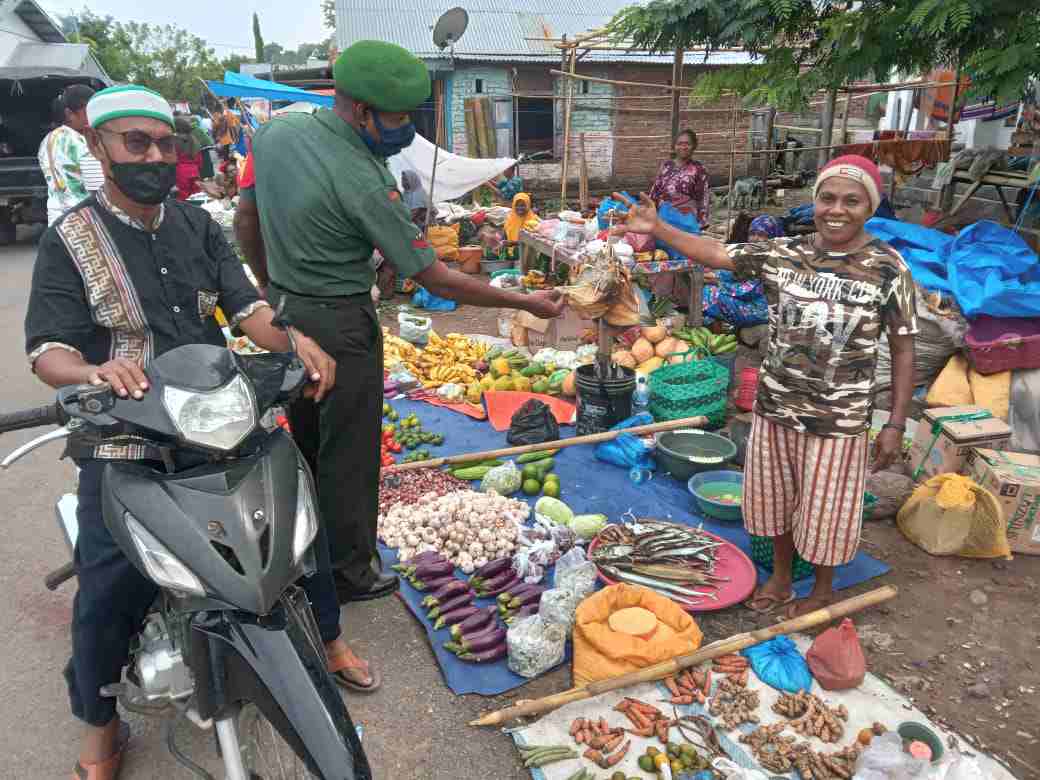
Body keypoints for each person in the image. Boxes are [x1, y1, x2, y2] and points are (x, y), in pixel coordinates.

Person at [22, 85, 370, 780]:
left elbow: (247, 310)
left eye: (164, 143)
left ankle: (325, 641)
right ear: (100, 148)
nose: (154, 156)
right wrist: (91, 373)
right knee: (106, 590)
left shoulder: (196, 224)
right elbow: (48, 352)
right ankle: (98, 729)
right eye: (136, 144)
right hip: (129, 436)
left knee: (299, 532)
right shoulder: (71, 238)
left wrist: (292, 340)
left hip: (221, 419)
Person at [235, 40, 565, 605]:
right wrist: (525, 304)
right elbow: (434, 278)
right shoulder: (365, 179)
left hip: (288, 320)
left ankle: (306, 550)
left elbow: (246, 218)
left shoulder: (274, 136)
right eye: (399, 117)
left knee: (307, 439)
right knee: (352, 454)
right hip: (340, 325)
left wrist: (270, 289)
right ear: (362, 110)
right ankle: (350, 572)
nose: (406, 128)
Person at [612, 154, 917, 619]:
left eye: (852, 201)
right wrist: (658, 230)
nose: (837, 209)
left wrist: (894, 423)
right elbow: (717, 253)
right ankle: (779, 576)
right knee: (773, 500)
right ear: (814, 203)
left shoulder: (889, 268)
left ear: (870, 207)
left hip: (838, 419)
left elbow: (902, 349)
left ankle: (821, 589)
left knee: (827, 511)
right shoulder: (786, 254)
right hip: (776, 408)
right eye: (827, 198)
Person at [38, 85, 105, 225]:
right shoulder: (82, 143)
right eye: (88, 111)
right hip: (85, 217)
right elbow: (99, 187)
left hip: (55, 217)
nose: (94, 116)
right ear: (69, 114)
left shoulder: (47, 140)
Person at [648, 129, 711, 225]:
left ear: (694, 146)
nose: (683, 147)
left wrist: (701, 223)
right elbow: (655, 191)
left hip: (686, 220)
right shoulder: (666, 166)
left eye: (687, 144)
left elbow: (703, 198)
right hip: (663, 217)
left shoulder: (699, 169)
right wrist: (650, 211)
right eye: (679, 143)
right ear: (674, 146)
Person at [173, 115, 202, 201]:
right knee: (196, 198)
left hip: (180, 173)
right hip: (195, 171)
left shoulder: (173, 141)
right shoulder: (194, 140)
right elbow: (200, 161)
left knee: (183, 200)